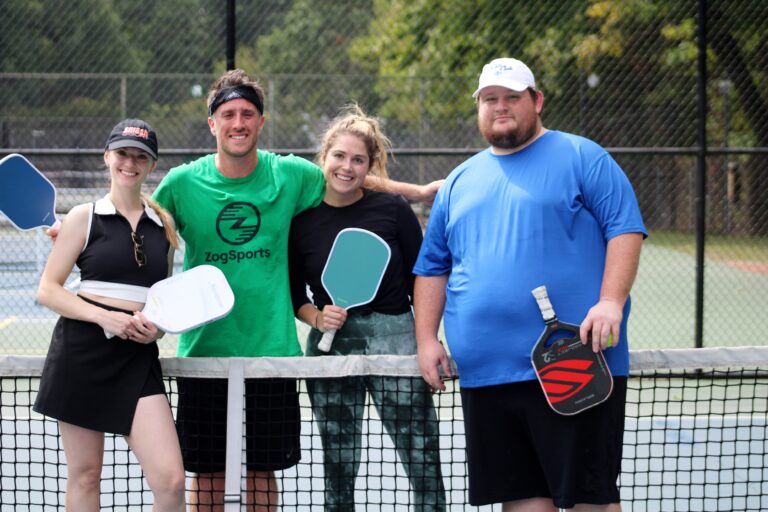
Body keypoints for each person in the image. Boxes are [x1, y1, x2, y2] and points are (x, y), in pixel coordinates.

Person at [149, 69, 441, 511]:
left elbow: (348, 175)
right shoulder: (181, 183)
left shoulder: (289, 173)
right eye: (228, 114)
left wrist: (415, 191)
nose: (238, 122)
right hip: (203, 352)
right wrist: (76, 229)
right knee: (207, 474)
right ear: (213, 123)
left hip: (274, 353)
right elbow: (138, 222)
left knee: (261, 472)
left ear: (261, 122)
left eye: (248, 113)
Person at [413, 58, 647, 512]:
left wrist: (610, 302)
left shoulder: (583, 156)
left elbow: (625, 229)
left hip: (574, 363)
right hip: (487, 375)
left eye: (512, 98)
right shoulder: (459, 180)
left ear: (536, 101)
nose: (500, 107)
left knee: (590, 502)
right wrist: (426, 338)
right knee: (522, 503)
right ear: (479, 108)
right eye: (490, 99)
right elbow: (433, 266)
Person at [288, 104, 446, 511]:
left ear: (370, 167)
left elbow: (422, 281)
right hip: (330, 346)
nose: (346, 166)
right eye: (339, 156)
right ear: (324, 158)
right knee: (338, 464)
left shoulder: (392, 210)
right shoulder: (300, 220)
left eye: (358, 159)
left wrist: (428, 339)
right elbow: (294, 295)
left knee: (422, 458)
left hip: (395, 340)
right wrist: (317, 317)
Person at [33, 119, 185, 511]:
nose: (130, 163)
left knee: (170, 480)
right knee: (86, 476)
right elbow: (48, 290)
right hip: (81, 355)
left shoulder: (163, 227)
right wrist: (106, 318)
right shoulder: (83, 217)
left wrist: (156, 330)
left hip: (137, 360)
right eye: (122, 153)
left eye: (140, 156)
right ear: (107, 157)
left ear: (151, 166)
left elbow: (156, 300)